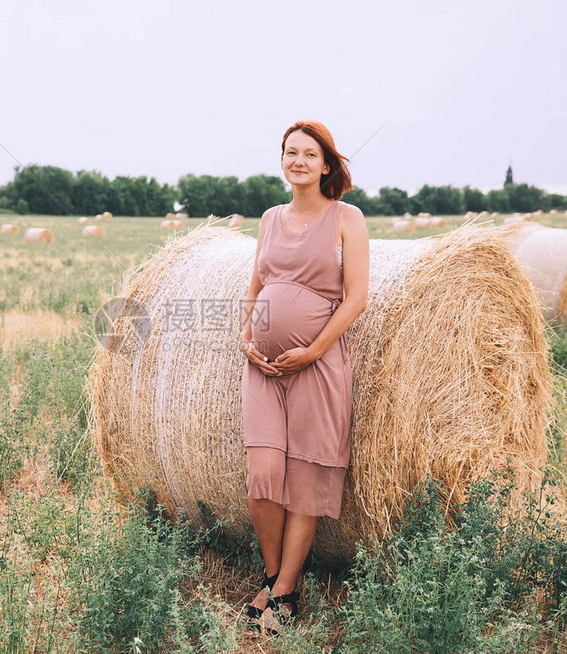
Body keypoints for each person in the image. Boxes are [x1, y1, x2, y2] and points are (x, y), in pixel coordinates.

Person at [239, 120, 369, 635]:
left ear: (326, 164)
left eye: (309, 154)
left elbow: (356, 298)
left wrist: (312, 350)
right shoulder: (270, 218)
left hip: (318, 367)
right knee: (263, 476)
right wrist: (247, 337)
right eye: (290, 152)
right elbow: (256, 287)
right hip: (262, 369)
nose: (298, 161)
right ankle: (272, 577)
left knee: (305, 481)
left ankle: (286, 592)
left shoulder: (346, 217)